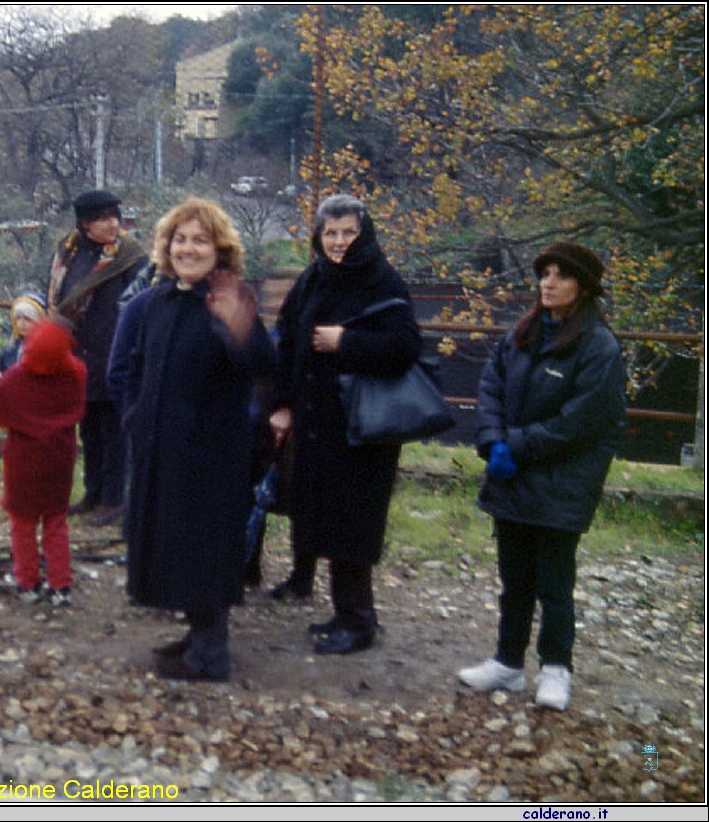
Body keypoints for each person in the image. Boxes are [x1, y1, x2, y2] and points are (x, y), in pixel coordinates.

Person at [458, 243, 626, 711]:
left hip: (561, 483)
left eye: (561, 276)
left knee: (554, 582)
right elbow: (490, 386)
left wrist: (517, 445)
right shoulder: (521, 334)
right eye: (544, 274)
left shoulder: (599, 346)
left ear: (584, 286)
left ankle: (556, 668)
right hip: (512, 476)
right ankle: (508, 663)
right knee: (514, 578)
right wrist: (493, 440)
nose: (548, 283)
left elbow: (582, 421)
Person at [124, 197, 276, 682]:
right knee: (173, 543)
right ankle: (196, 637)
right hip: (161, 447)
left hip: (211, 453)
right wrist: (135, 416)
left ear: (220, 249)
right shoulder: (158, 301)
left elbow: (267, 370)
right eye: (180, 239)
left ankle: (212, 654)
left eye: (200, 241)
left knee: (206, 547)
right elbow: (136, 366)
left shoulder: (232, 298)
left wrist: (240, 328)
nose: (187, 249)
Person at [268, 194, 421, 655]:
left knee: (354, 524)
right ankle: (345, 612)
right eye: (330, 233)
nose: (338, 242)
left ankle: (358, 622)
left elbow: (404, 346)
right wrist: (282, 403)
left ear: (365, 233)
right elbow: (288, 338)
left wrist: (347, 341)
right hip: (316, 424)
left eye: (347, 232)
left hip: (360, 429)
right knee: (324, 518)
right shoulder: (315, 277)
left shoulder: (382, 280)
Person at [48, 190, 150, 528]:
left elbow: (137, 303)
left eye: (115, 217)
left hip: (114, 352)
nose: (112, 224)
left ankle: (113, 499)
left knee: (113, 429)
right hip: (78, 353)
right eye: (103, 218)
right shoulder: (70, 251)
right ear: (85, 223)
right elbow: (59, 294)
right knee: (88, 428)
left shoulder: (130, 256)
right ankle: (92, 492)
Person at [0, 320, 87, 607]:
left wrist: (17, 422)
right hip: (59, 458)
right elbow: (79, 405)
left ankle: (28, 581)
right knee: (56, 521)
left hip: (23, 459)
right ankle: (61, 585)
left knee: (23, 523)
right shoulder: (75, 374)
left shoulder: (16, 379)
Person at [0, 292, 46, 388]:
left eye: (27, 319)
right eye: (18, 318)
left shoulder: (46, 351)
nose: (21, 323)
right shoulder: (10, 349)